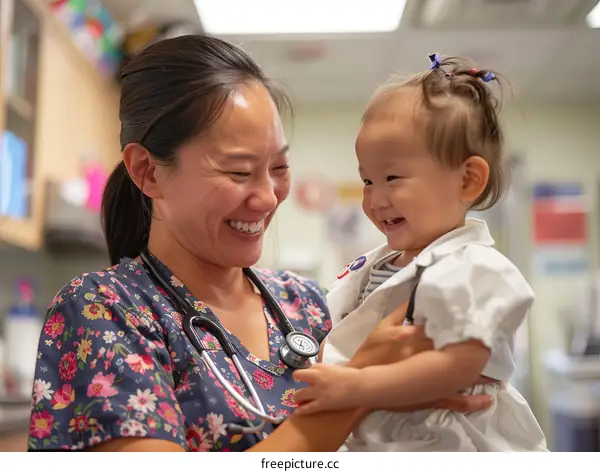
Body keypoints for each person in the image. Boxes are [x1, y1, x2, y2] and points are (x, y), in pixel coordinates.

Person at [27, 38, 491, 453]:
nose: (268, 197)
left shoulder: (306, 305)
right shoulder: (104, 309)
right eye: (238, 171)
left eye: (279, 168)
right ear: (148, 171)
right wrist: (359, 386)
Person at [293, 54, 548, 452]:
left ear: (467, 180)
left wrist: (357, 385)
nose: (375, 199)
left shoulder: (475, 266)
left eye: (392, 178)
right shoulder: (373, 265)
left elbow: (459, 365)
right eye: (366, 180)